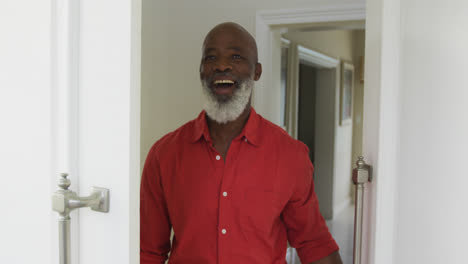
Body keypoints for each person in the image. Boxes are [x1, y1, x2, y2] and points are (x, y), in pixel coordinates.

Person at [140, 22, 343, 264]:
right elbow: (148, 251)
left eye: (236, 57)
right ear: (201, 71)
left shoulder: (290, 155)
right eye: (210, 57)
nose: (221, 65)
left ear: (256, 72)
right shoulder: (164, 155)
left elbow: (314, 243)